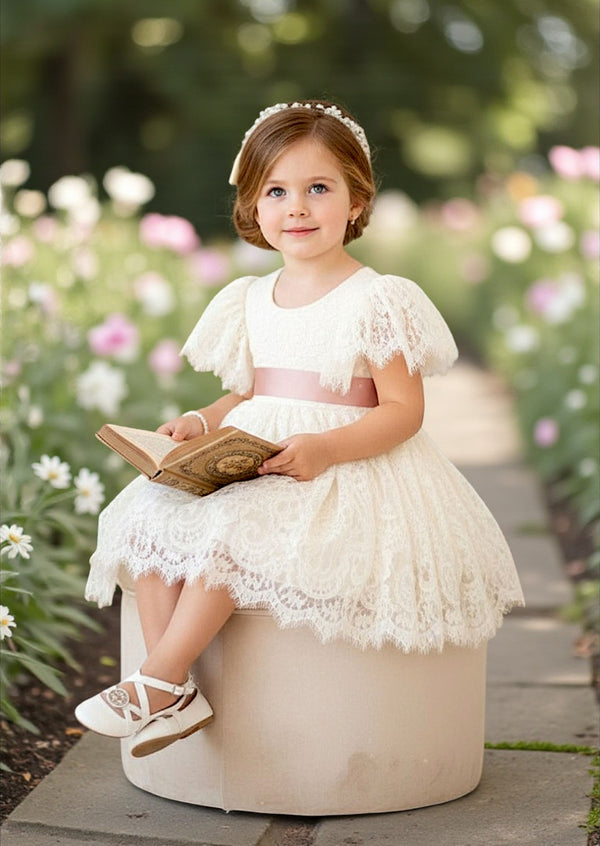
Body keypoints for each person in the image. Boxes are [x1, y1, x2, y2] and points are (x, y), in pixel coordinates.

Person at [76, 99, 524, 758]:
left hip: (339, 464)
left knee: (236, 530)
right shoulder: (251, 298)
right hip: (257, 453)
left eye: (319, 188)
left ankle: (159, 679)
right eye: (277, 191)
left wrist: (324, 448)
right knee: (150, 514)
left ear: (356, 200)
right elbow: (250, 392)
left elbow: (404, 410)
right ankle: (174, 693)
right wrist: (201, 421)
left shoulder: (377, 299)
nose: (297, 207)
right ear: (254, 208)